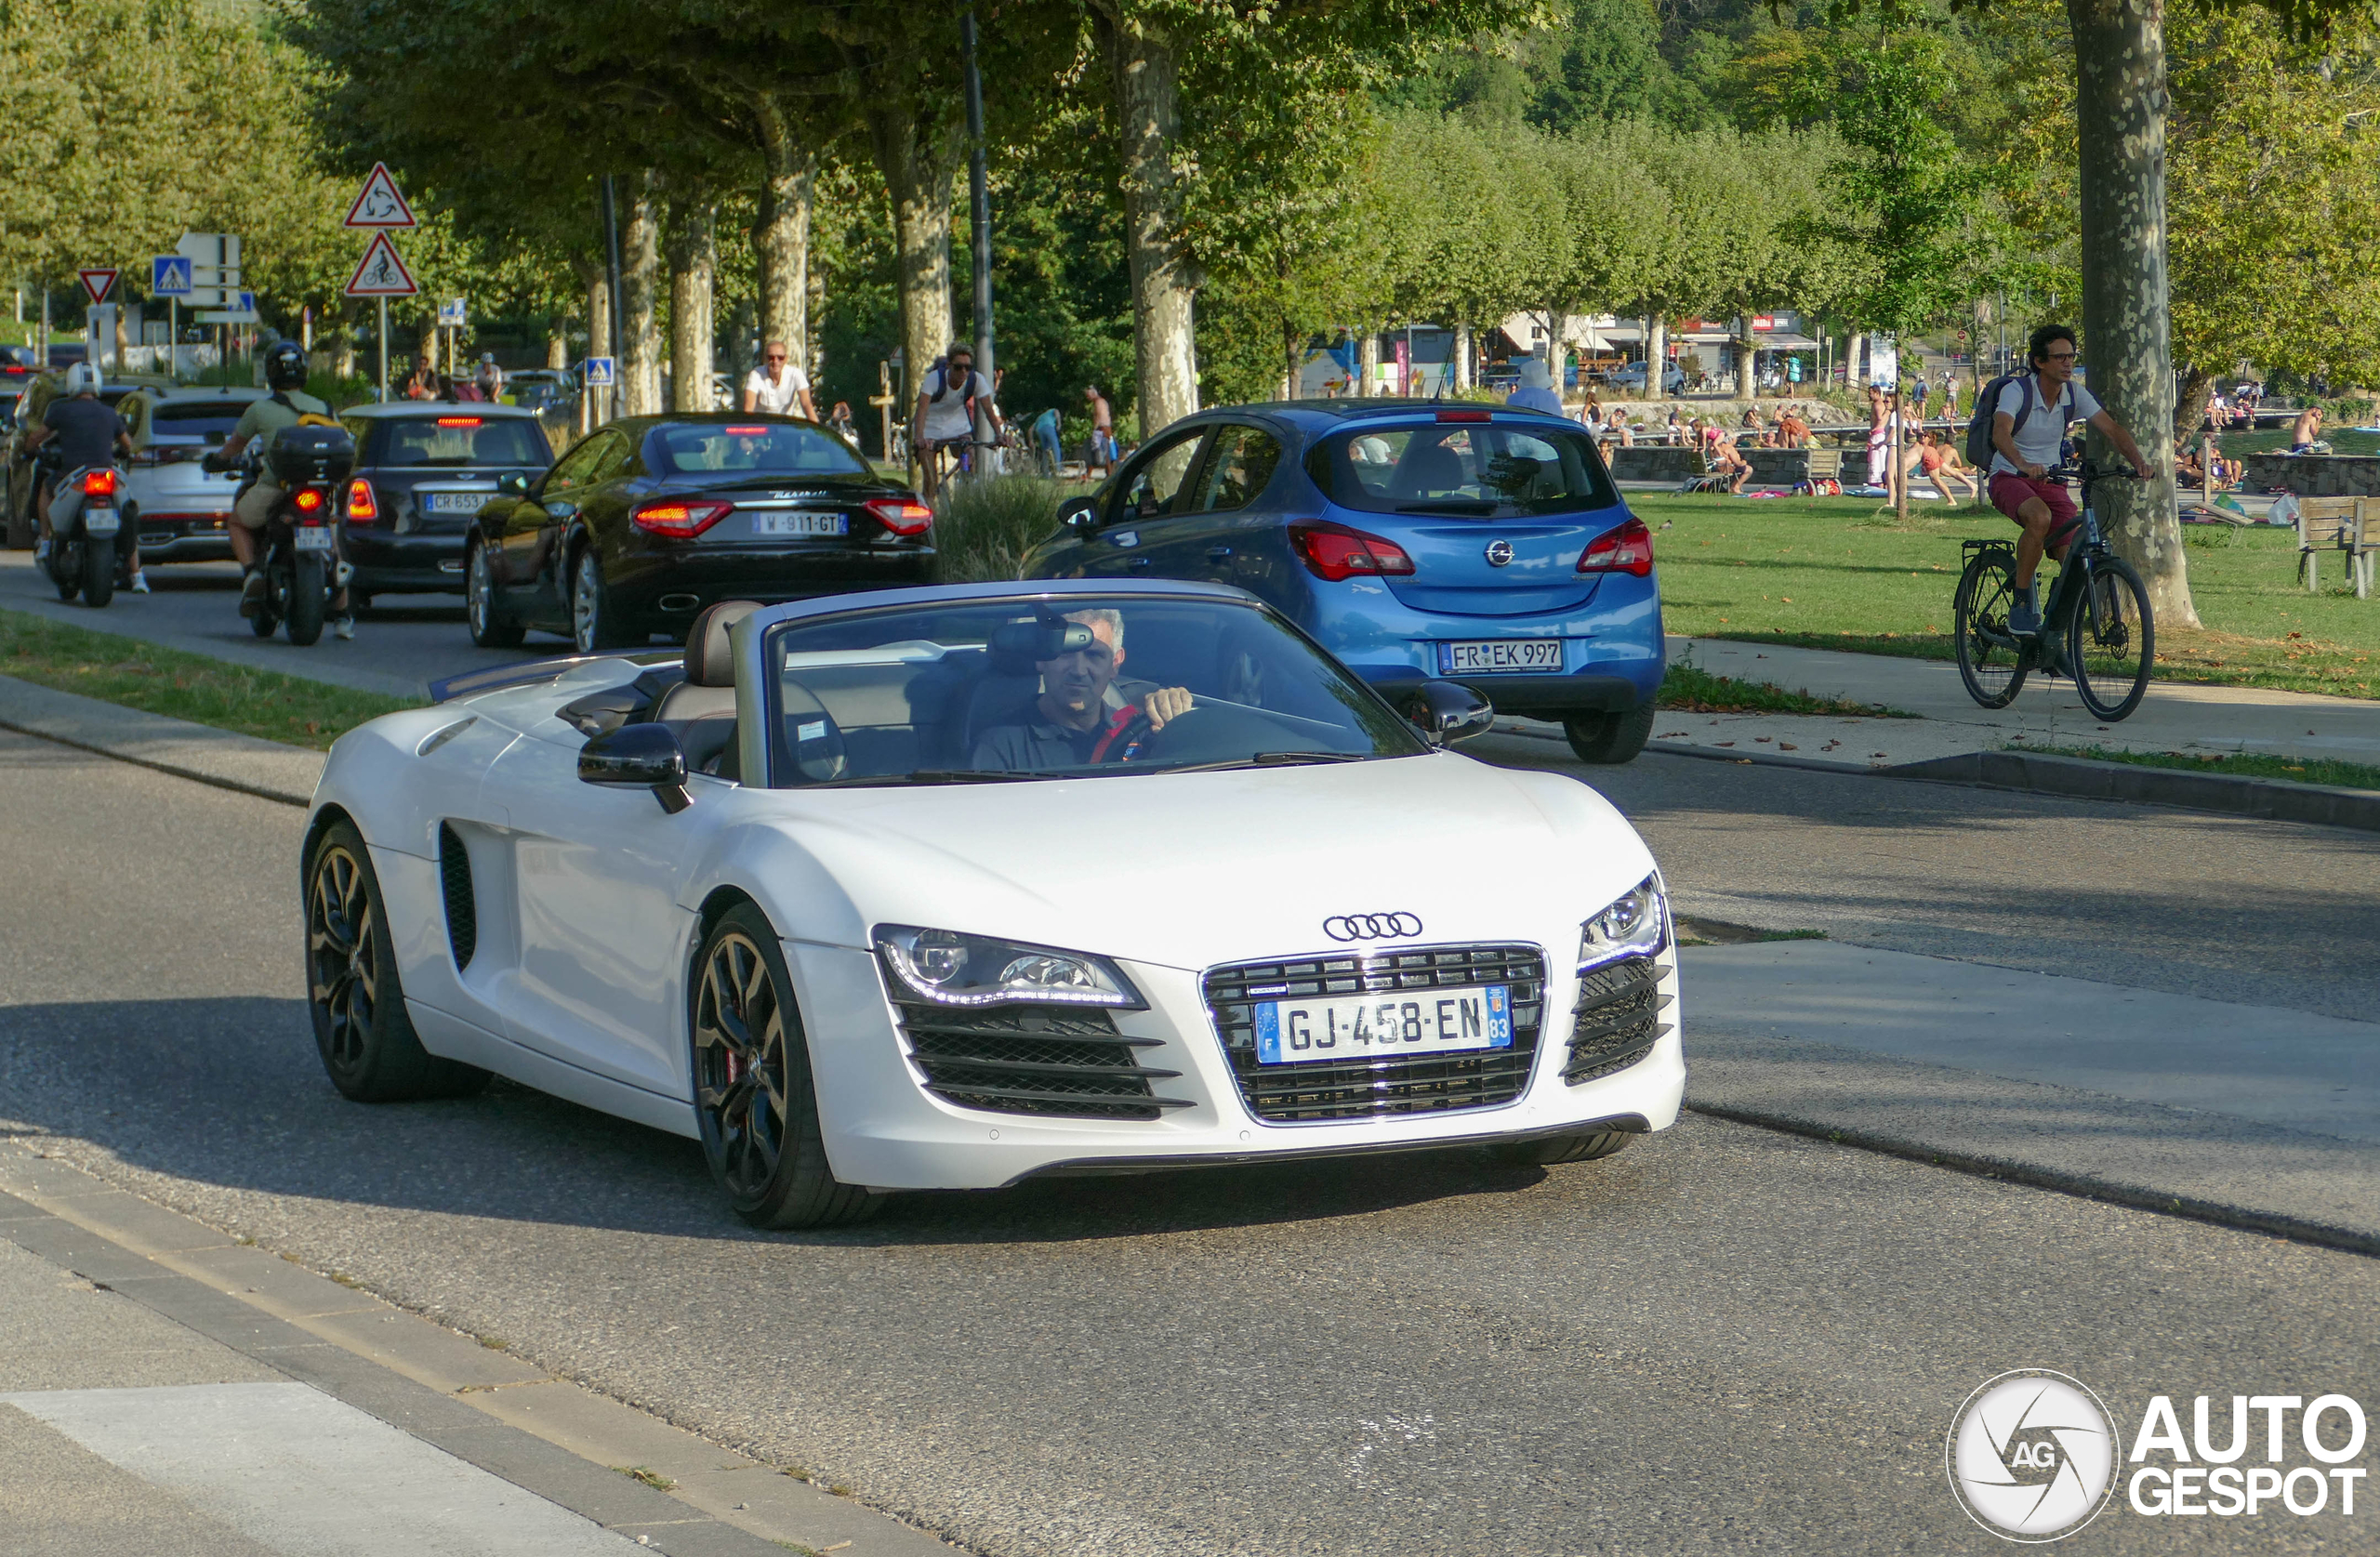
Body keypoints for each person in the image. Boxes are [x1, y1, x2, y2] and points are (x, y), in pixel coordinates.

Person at [1988, 324, 2151, 637]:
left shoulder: (2074, 393)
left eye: (2071, 357)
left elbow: (2112, 429)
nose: (2067, 363)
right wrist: (2022, 464)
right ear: (2040, 362)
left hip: (2051, 479)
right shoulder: (2017, 391)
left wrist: (2139, 463)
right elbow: (2000, 432)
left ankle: (2055, 625)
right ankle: (2021, 604)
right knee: (2039, 517)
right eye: (2059, 357)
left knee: (2074, 554)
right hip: (2009, 475)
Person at [213, 338, 356, 639]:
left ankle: (252, 572)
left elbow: (233, 447)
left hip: (276, 487)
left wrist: (216, 461)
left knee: (237, 521)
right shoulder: (324, 407)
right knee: (330, 543)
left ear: (270, 373)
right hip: (319, 490)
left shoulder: (259, 410)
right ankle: (343, 614)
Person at [972, 608, 1194, 771]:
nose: (1078, 670)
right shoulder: (1002, 745)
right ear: (1041, 657)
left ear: (1115, 663)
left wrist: (1177, 721)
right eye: (1066, 653)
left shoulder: (1141, 729)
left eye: (1094, 655)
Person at [25, 362, 141, 591]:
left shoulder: (61, 411)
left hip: (74, 476)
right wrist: (124, 452)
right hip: (107, 475)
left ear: (71, 384)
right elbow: (128, 446)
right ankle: (138, 574)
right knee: (125, 514)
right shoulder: (110, 413)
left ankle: (46, 541)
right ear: (97, 384)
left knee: (46, 488)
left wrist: (29, 451)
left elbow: (36, 438)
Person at [913, 343, 998, 499]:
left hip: (958, 427)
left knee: (968, 457)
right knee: (930, 481)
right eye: (958, 367)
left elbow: (989, 410)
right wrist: (919, 436)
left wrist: (1000, 434)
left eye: (968, 367)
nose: (963, 372)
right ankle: (931, 519)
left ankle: (965, 494)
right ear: (949, 366)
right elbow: (922, 410)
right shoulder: (934, 379)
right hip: (930, 427)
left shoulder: (976, 380)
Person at [742, 340, 816, 420]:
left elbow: (806, 405)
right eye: (771, 358)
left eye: (780, 358)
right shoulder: (756, 374)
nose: (775, 361)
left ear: (786, 359)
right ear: (765, 358)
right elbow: (748, 408)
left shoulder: (796, 374)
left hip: (785, 425)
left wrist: (816, 429)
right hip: (762, 425)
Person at [1916, 429, 1979, 508]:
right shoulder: (1951, 450)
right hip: (1939, 465)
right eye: (1920, 436)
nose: (1922, 438)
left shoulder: (1937, 447)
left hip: (1936, 463)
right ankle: (1972, 484)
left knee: (1940, 478)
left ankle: (1953, 499)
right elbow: (1959, 464)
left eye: (1924, 436)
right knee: (1960, 470)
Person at [1083, 385, 1117, 474]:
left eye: (1088, 395)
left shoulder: (1098, 402)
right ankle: (1109, 471)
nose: (1087, 397)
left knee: (1095, 449)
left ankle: (1089, 473)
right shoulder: (1103, 401)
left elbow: (1098, 416)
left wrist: (1094, 429)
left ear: (1093, 394)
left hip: (1102, 429)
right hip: (1107, 428)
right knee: (1107, 450)